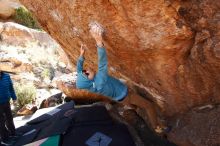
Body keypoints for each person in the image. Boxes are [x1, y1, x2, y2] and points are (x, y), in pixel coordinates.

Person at [76, 22, 169, 133]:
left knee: (133, 105)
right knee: (149, 106)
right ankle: (157, 128)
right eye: (86, 74)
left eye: (84, 71)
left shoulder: (89, 84)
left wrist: (81, 56)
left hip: (120, 98)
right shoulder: (99, 82)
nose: (86, 70)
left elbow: (78, 69)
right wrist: (99, 43)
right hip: (126, 95)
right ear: (88, 80)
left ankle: (132, 108)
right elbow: (102, 64)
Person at [0, 71, 17, 145]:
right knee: (1, 122)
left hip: (6, 102)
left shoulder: (6, 76)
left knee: (9, 118)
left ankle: (13, 134)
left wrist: (14, 98)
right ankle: (5, 139)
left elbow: (11, 87)